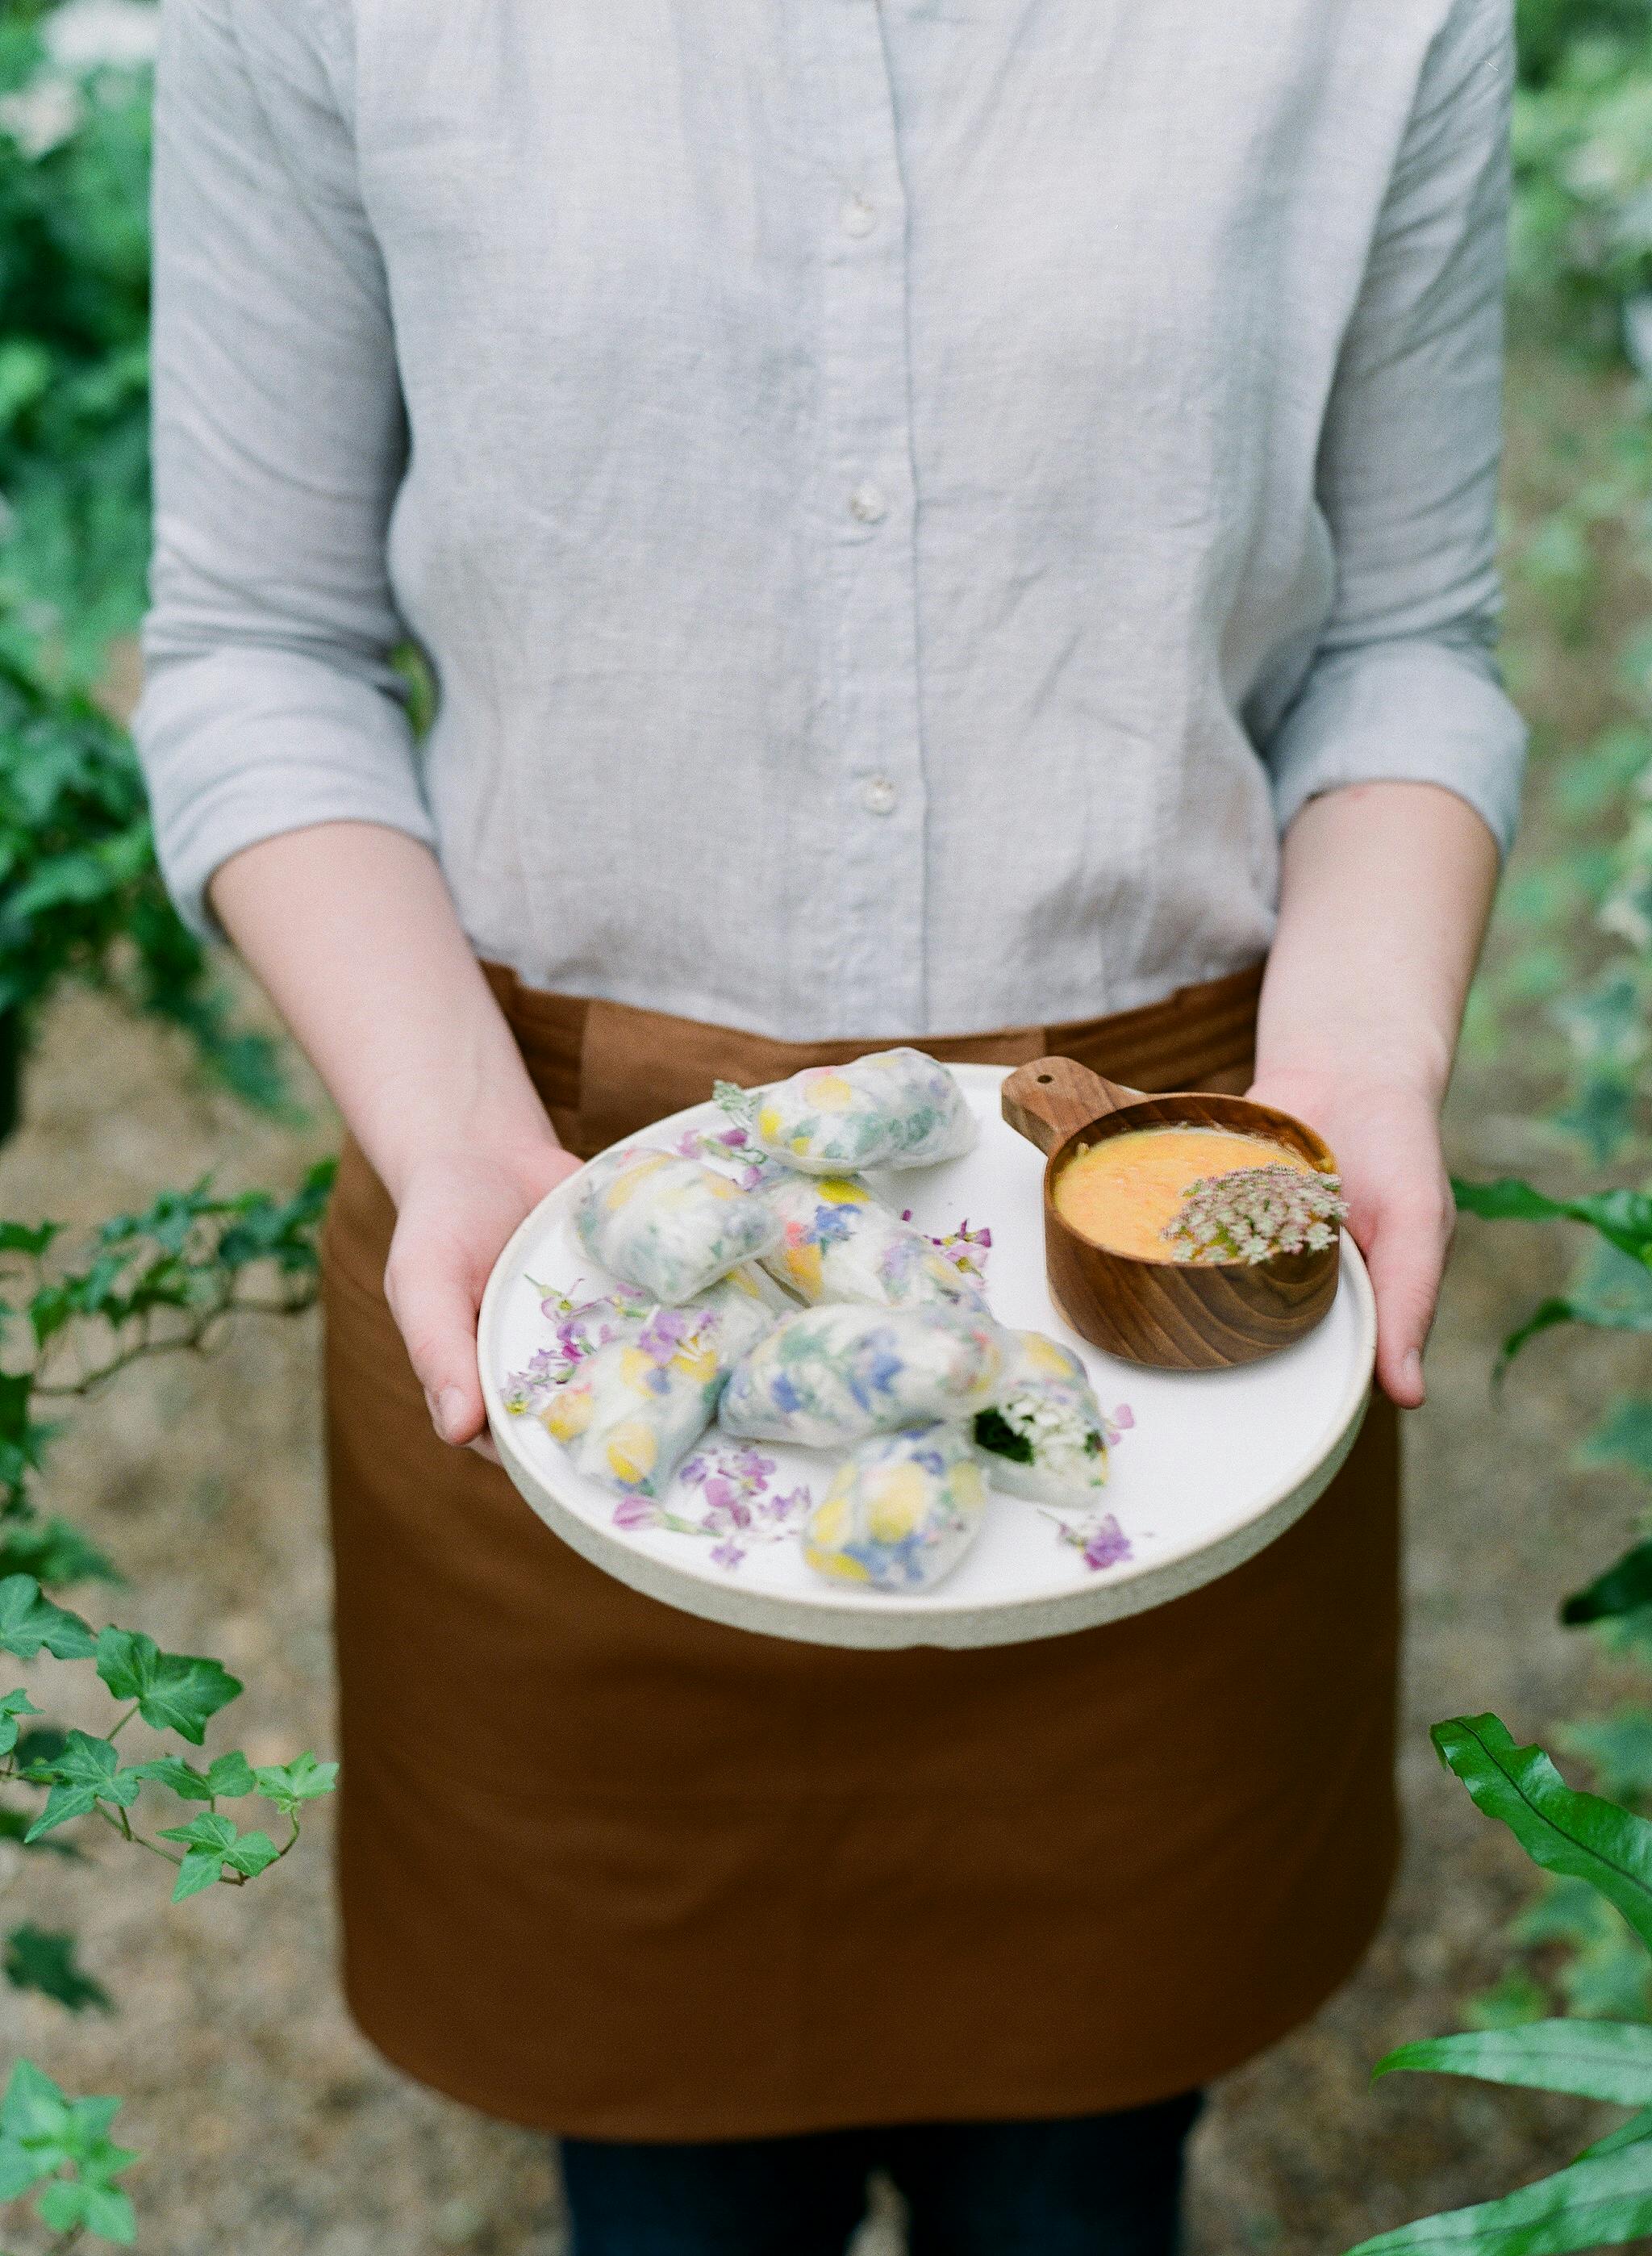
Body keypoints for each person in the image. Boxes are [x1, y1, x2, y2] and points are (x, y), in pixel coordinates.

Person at [134, 2, 1523, 2250]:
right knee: (667, 2196)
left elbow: (1404, 634)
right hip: (568, 1257)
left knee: (1084, 2188)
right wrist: (453, 1125)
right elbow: (257, 643)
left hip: (1152, 1284)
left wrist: (1360, 1049)